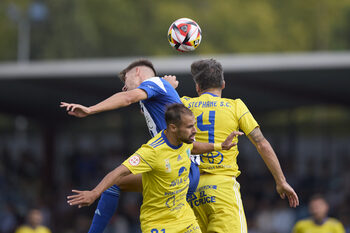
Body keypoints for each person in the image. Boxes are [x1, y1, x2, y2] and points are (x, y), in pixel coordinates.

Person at [60, 59, 199, 233]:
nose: (124, 87)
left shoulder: (153, 83)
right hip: (184, 168)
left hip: (177, 167)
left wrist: (90, 110)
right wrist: (169, 86)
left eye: (126, 80)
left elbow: (127, 98)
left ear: (138, 72)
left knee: (113, 182)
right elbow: (151, 107)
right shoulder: (157, 91)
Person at [67, 104, 242, 233]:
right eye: (190, 127)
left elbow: (194, 147)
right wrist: (95, 193)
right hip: (158, 224)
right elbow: (119, 172)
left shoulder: (184, 141)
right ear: (173, 128)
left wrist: (220, 146)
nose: (194, 130)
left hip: (185, 220)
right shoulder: (152, 151)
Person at [179, 58, 299, 233]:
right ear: (223, 84)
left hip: (190, 187)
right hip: (222, 187)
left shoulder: (184, 105)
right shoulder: (235, 106)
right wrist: (281, 181)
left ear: (197, 87)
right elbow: (262, 144)